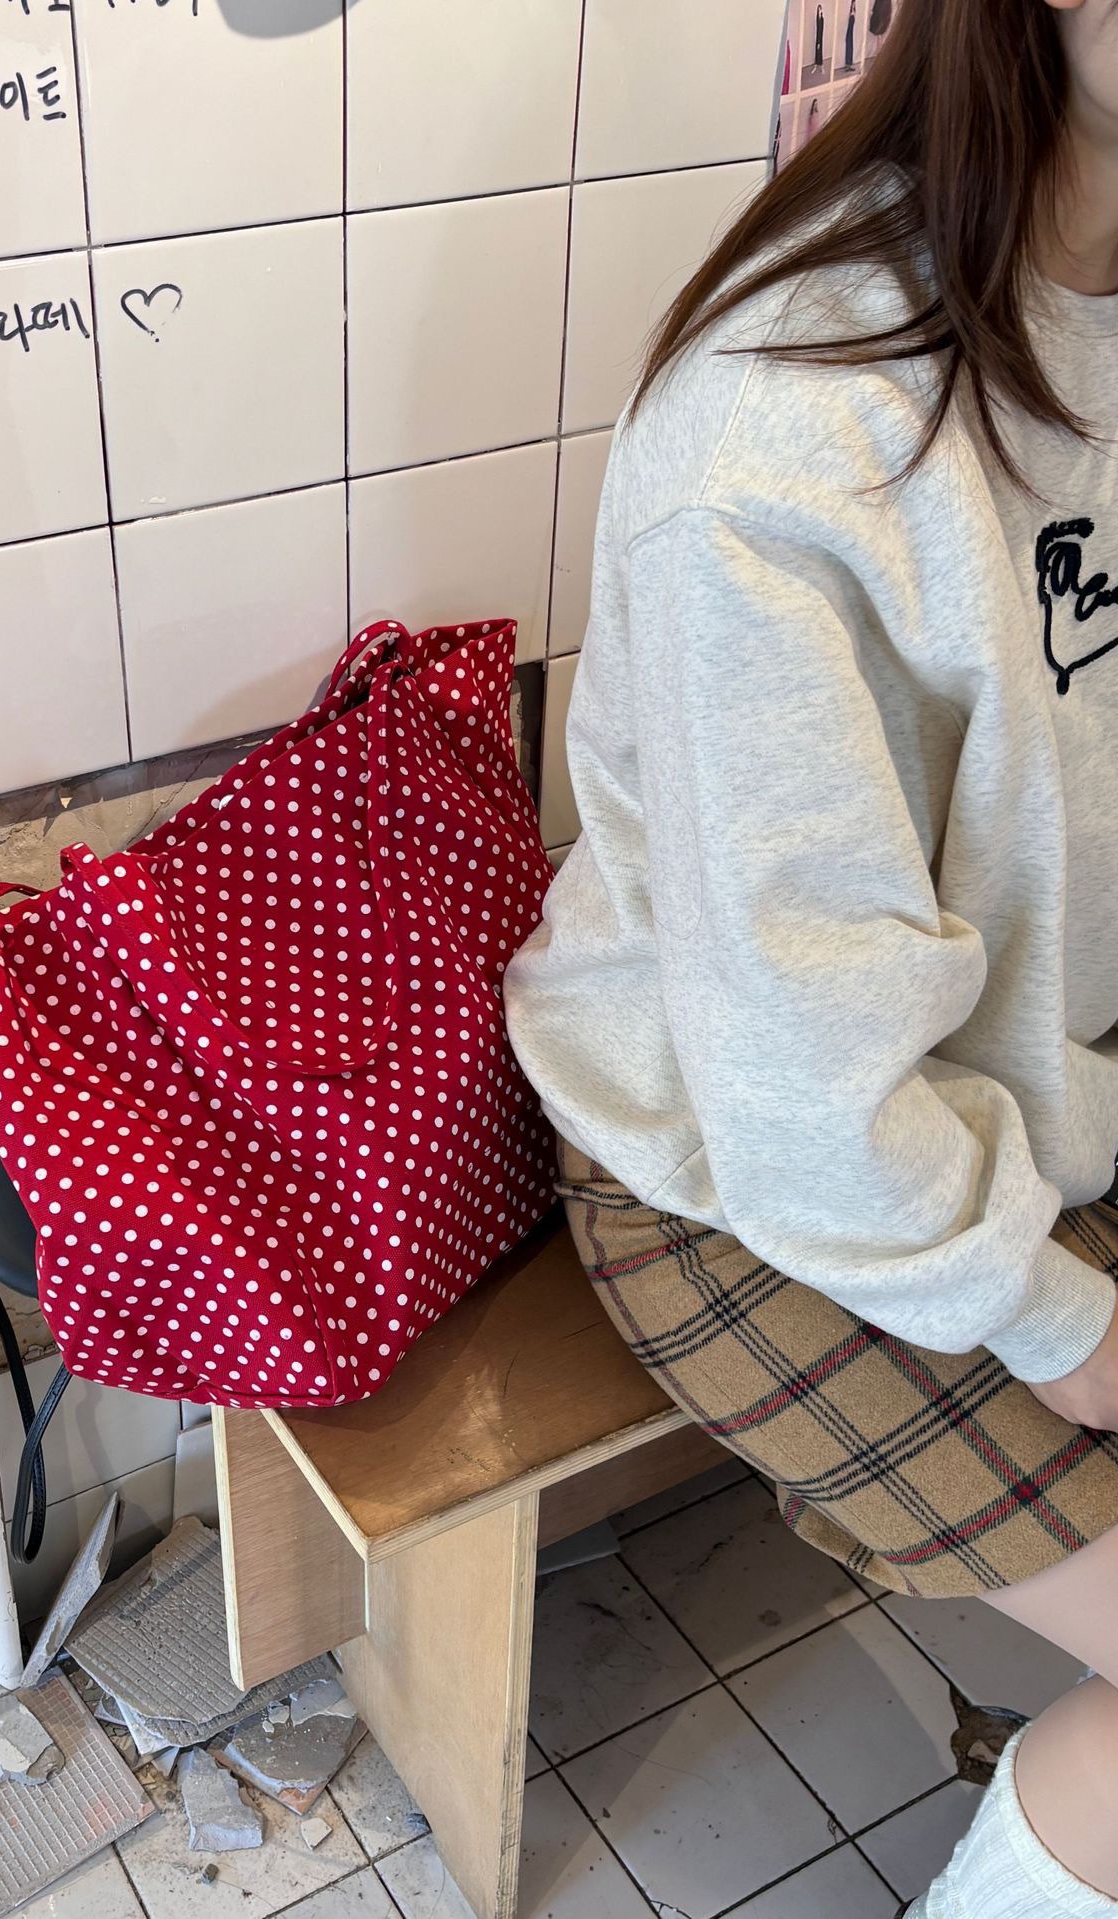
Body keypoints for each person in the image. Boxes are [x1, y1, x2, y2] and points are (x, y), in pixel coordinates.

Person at [504, 2, 1118, 1914]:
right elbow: (800, 1096)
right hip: (755, 1175)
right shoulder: (783, 434)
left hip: (1047, 1082)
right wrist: (1075, 1332)